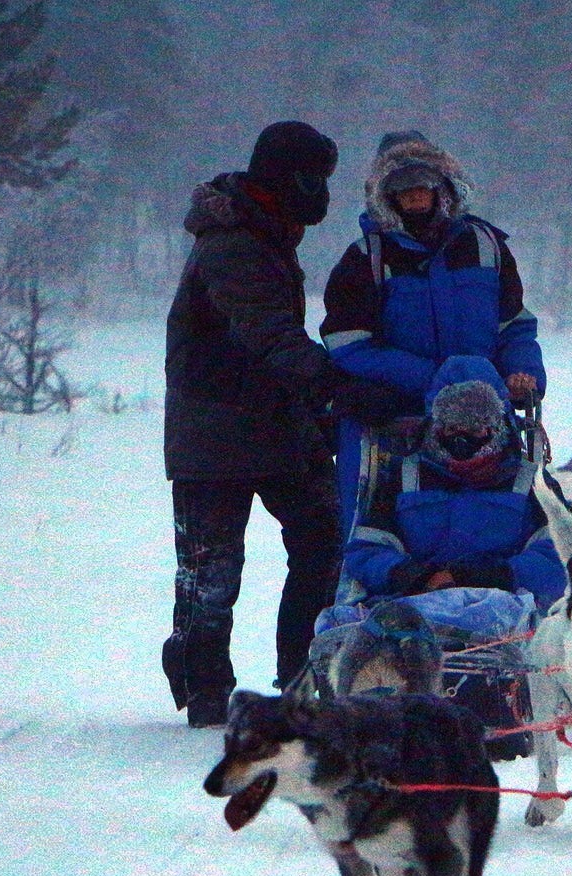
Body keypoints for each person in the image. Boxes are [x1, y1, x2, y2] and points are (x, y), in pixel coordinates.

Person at [161, 120, 343, 728]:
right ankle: (203, 685)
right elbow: (270, 334)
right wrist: (338, 384)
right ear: (280, 177)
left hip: (278, 423)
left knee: (323, 543)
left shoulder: (267, 232)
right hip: (213, 429)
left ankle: (299, 678)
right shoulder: (232, 242)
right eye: (311, 178)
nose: (319, 192)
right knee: (212, 570)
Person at [321, 132, 546, 535]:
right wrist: (436, 378)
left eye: (421, 186)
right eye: (402, 189)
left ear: (442, 187)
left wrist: (523, 373)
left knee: (497, 525)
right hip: (395, 419)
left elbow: (514, 326)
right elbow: (347, 343)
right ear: (384, 195)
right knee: (380, 530)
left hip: (483, 417)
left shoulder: (486, 246)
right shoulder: (365, 258)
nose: (414, 197)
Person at [343, 380, 565, 612]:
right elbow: (366, 550)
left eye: (474, 428)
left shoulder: (533, 482)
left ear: (495, 429)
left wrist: (488, 576)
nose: (462, 438)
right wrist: (415, 577)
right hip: (412, 608)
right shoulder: (403, 477)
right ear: (437, 428)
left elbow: (560, 554)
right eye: (452, 428)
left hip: (507, 611)